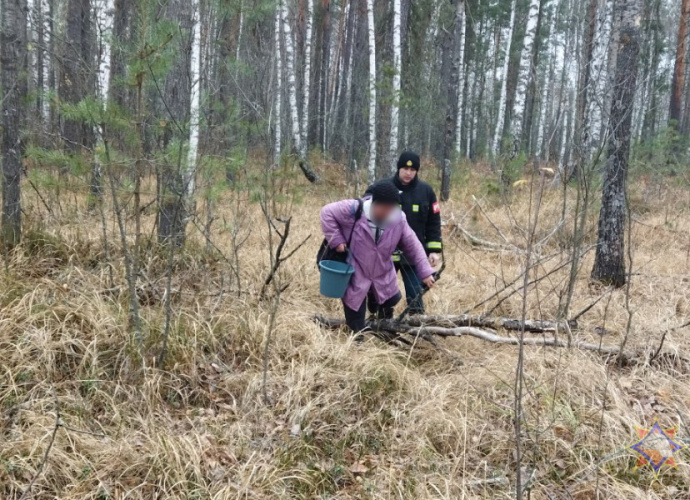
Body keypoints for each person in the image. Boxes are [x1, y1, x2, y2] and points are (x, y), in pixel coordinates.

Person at [320, 180, 436, 333]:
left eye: (391, 208)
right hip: (356, 270)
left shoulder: (399, 219)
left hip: (382, 270)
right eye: (384, 208)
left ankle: (384, 331)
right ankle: (358, 341)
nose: (388, 212)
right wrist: (337, 241)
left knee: (390, 300)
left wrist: (425, 272)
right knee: (355, 312)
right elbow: (326, 212)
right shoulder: (354, 209)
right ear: (374, 203)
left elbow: (413, 245)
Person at [367, 151, 443, 315]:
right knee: (384, 293)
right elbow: (364, 213)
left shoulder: (426, 191)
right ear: (398, 168)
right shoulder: (382, 187)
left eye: (413, 170)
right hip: (385, 253)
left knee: (415, 293)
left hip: (413, 253)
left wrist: (434, 250)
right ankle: (383, 324)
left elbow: (433, 222)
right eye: (405, 169)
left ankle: (416, 328)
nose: (408, 173)